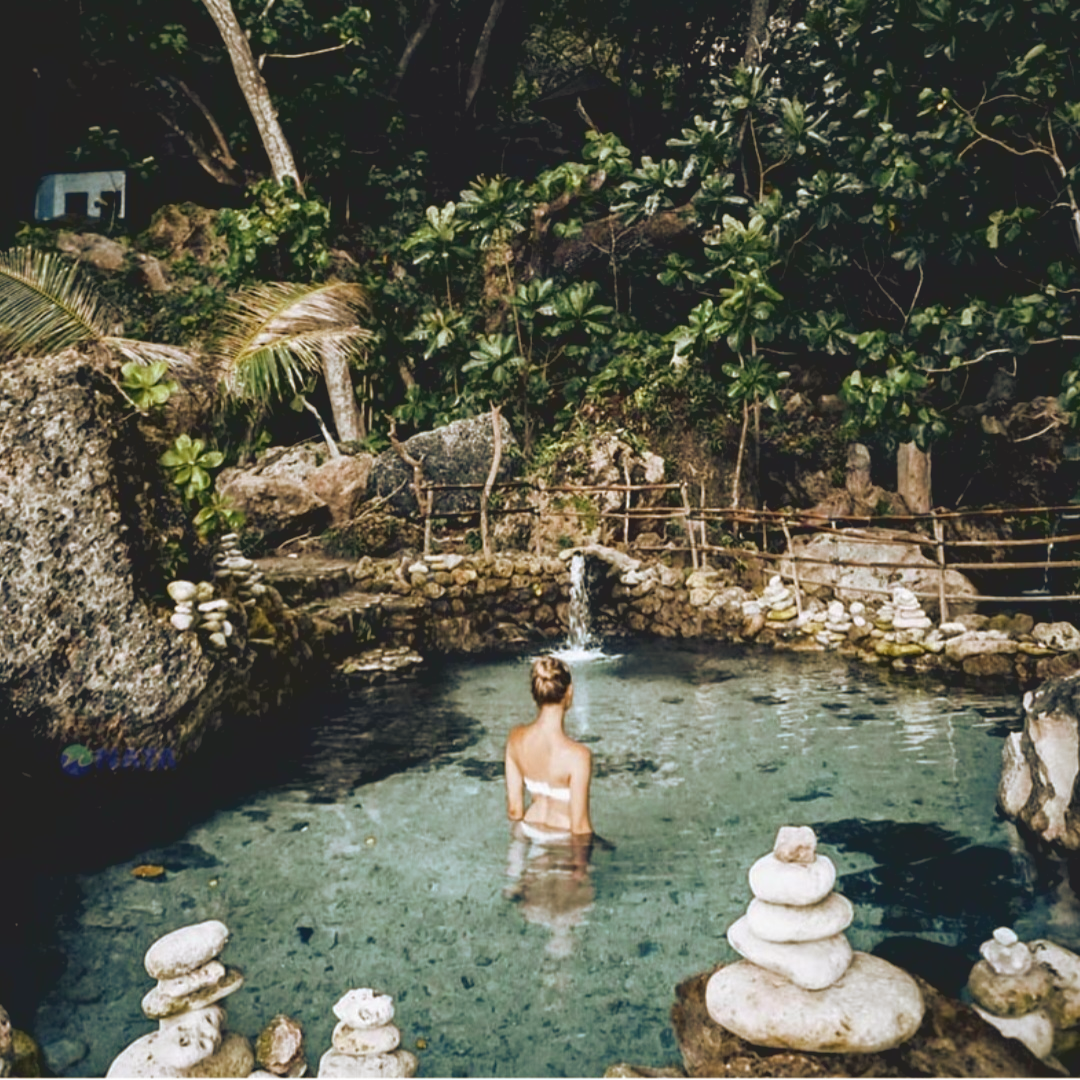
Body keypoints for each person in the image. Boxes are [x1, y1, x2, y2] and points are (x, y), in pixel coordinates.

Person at [504, 655, 593, 839]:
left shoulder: (515, 739)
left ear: (535, 694)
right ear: (569, 692)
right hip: (563, 839)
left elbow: (514, 812)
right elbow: (579, 827)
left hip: (529, 830)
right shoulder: (578, 756)